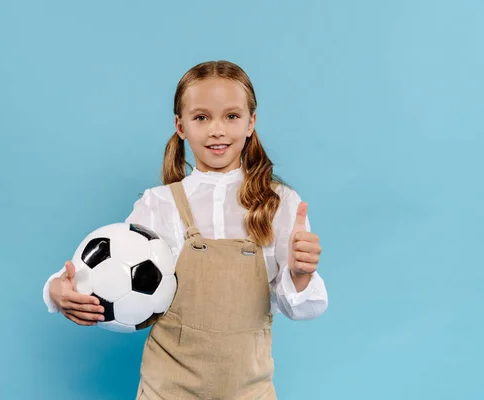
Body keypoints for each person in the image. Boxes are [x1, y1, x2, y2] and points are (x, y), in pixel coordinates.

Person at [42, 60, 328, 399]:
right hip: (167, 391)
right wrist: (58, 290)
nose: (217, 130)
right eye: (201, 117)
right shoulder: (159, 204)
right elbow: (101, 270)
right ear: (181, 126)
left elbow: (303, 308)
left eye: (232, 116)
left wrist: (299, 275)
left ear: (252, 123)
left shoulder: (279, 203)